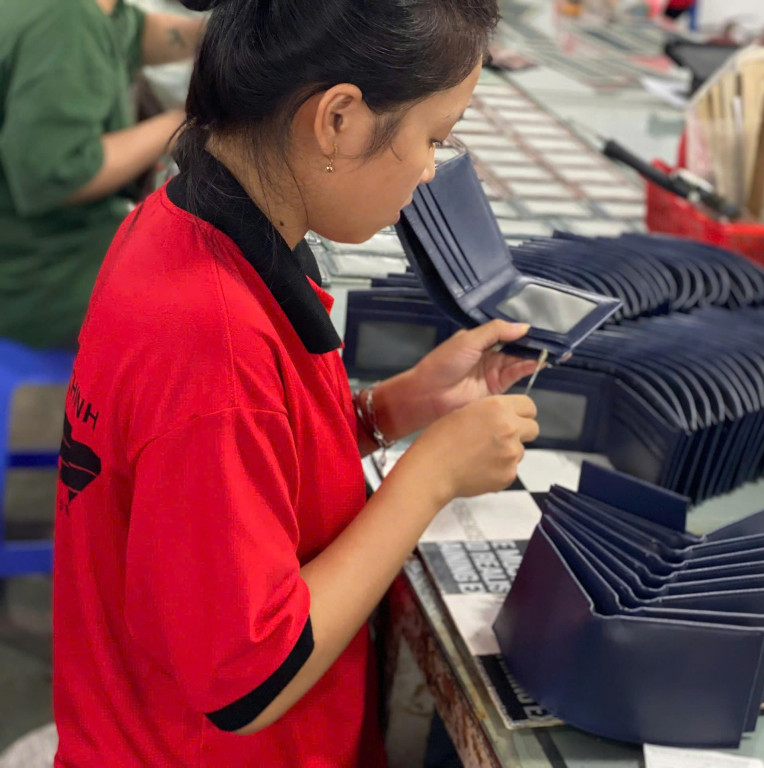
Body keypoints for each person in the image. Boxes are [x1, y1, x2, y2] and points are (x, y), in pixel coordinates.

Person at [51, 0, 541, 766]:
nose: (428, 170)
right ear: (338, 119)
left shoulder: (179, 222)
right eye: (434, 138)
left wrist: (390, 409)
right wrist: (429, 477)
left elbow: (239, 469)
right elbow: (250, 681)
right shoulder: (211, 340)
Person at [0, 0, 204, 348]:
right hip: (43, 283)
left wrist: (218, 34)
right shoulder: (65, 20)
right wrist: (179, 125)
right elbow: (58, 172)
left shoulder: (92, 11)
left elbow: (132, 33)